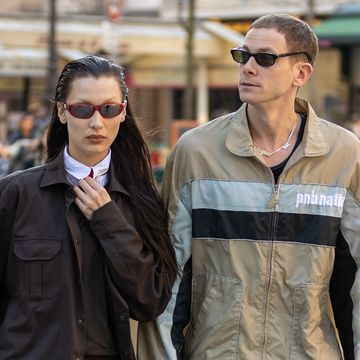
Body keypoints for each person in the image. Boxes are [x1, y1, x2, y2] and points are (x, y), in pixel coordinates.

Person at [137, 13, 360, 360]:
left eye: (265, 58)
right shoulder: (196, 152)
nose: (248, 68)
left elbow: (357, 281)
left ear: (301, 73)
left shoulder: (344, 155)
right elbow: (169, 279)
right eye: (243, 56)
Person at [0, 55, 178, 359]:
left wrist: (108, 220)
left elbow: (150, 300)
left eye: (109, 109)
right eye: (83, 109)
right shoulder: (16, 193)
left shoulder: (142, 200)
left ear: (122, 113)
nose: (97, 122)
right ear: (62, 112)